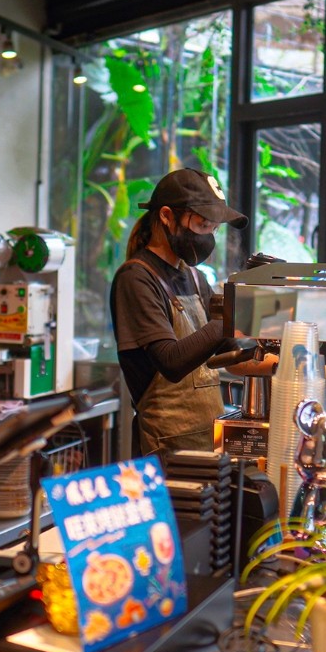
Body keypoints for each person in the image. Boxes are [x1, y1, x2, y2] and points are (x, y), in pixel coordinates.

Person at [110, 167, 273, 455]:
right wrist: (233, 313)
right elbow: (171, 362)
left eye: (213, 229)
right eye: (201, 225)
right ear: (166, 216)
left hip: (209, 442)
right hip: (166, 450)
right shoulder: (136, 278)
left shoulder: (196, 279)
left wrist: (286, 362)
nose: (208, 236)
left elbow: (230, 358)